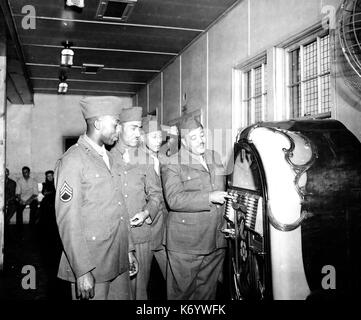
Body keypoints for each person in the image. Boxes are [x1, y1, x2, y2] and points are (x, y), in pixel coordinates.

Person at [54, 96, 138, 300]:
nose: (118, 130)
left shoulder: (109, 158)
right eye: (115, 124)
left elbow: (120, 207)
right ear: (98, 123)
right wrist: (82, 270)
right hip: (93, 263)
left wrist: (129, 249)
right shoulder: (73, 160)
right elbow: (68, 221)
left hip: (117, 259)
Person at [161, 116, 228, 300]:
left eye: (202, 135)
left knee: (207, 295)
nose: (201, 141)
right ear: (183, 141)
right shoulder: (172, 162)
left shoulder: (214, 156)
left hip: (215, 240)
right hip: (187, 245)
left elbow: (225, 190)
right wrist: (208, 197)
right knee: (182, 295)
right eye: (194, 137)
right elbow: (174, 199)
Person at [110, 107, 163, 300]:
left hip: (140, 236)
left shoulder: (145, 159)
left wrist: (147, 213)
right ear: (119, 129)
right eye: (133, 128)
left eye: (140, 128)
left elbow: (156, 194)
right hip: (114, 237)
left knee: (140, 292)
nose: (138, 133)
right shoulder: (106, 158)